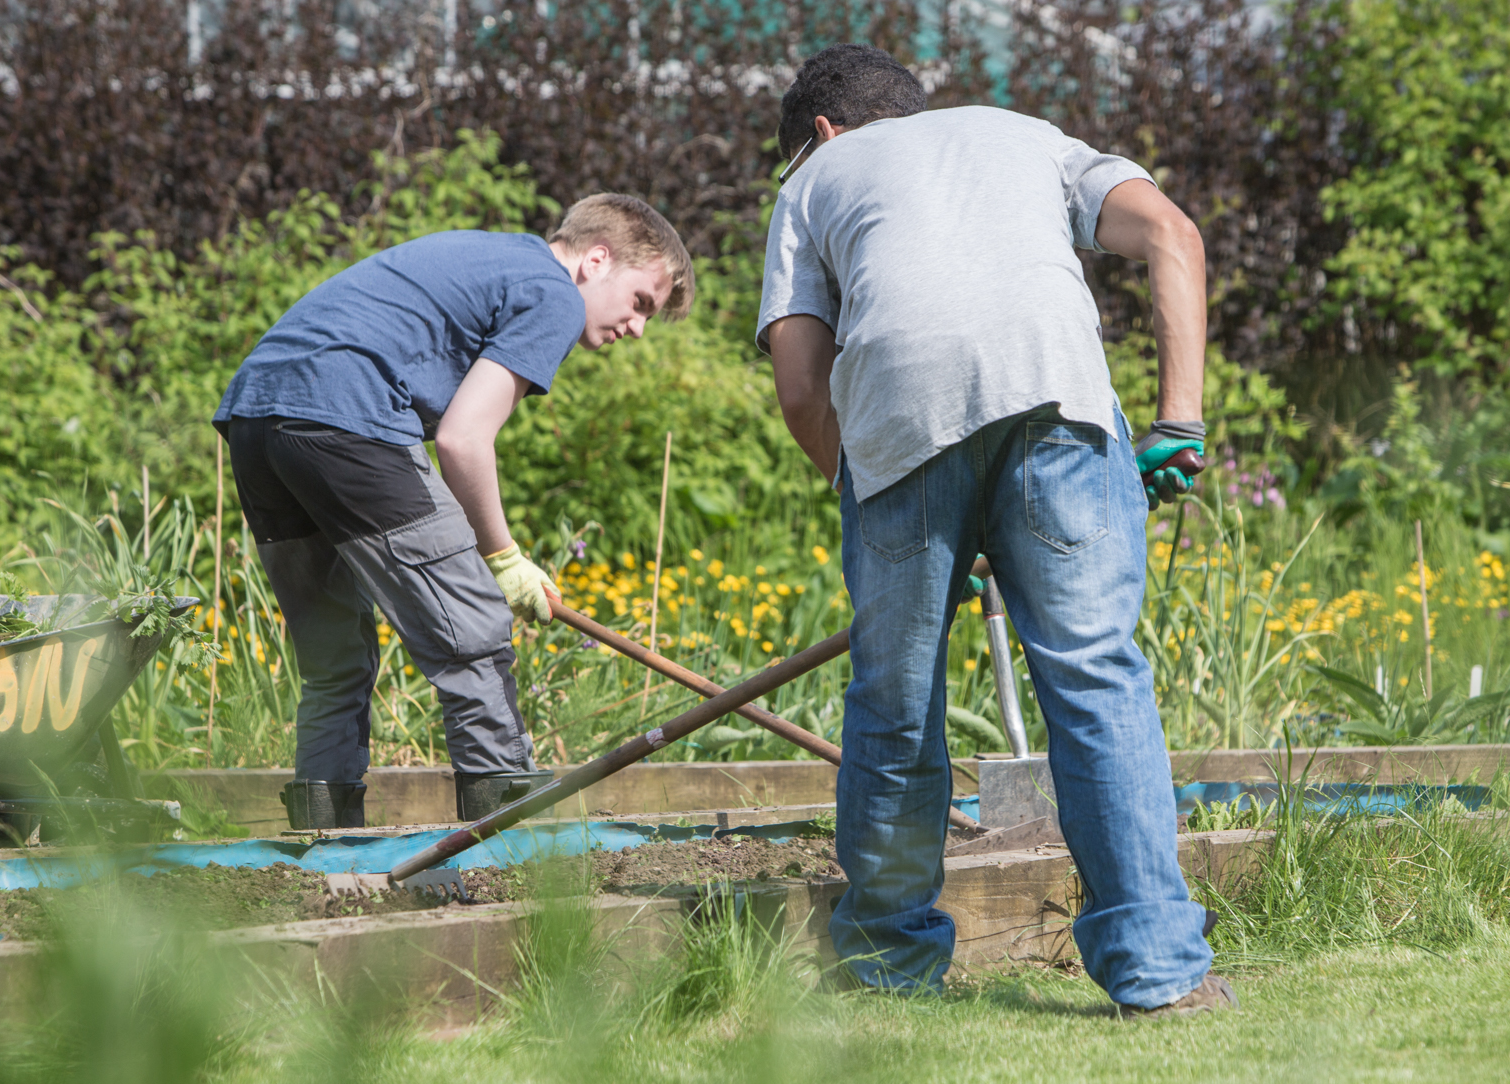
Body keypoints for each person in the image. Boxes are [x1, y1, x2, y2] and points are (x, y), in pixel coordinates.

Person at [758, 44, 1233, 1016]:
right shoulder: (1024, 135)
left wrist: (876, 500)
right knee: (1095, 675)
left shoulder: (812, 182)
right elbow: (1172, 236)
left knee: (895, 701)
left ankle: (887, 968)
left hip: (895, 421)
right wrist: (1177, 418)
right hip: (1055, 398)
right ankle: (1157, 972)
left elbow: (802, 386)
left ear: (818, 132)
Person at [215, 196, 694, 828]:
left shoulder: (494, 255)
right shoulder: (552, 290)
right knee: (474, 629)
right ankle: (507, 837)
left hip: (256, 414)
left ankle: (324, 834)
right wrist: (504, 561)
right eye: (640, 303)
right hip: (345, 411)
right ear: (596, 260)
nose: (636, 329)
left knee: (335, 652)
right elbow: (463, 440)